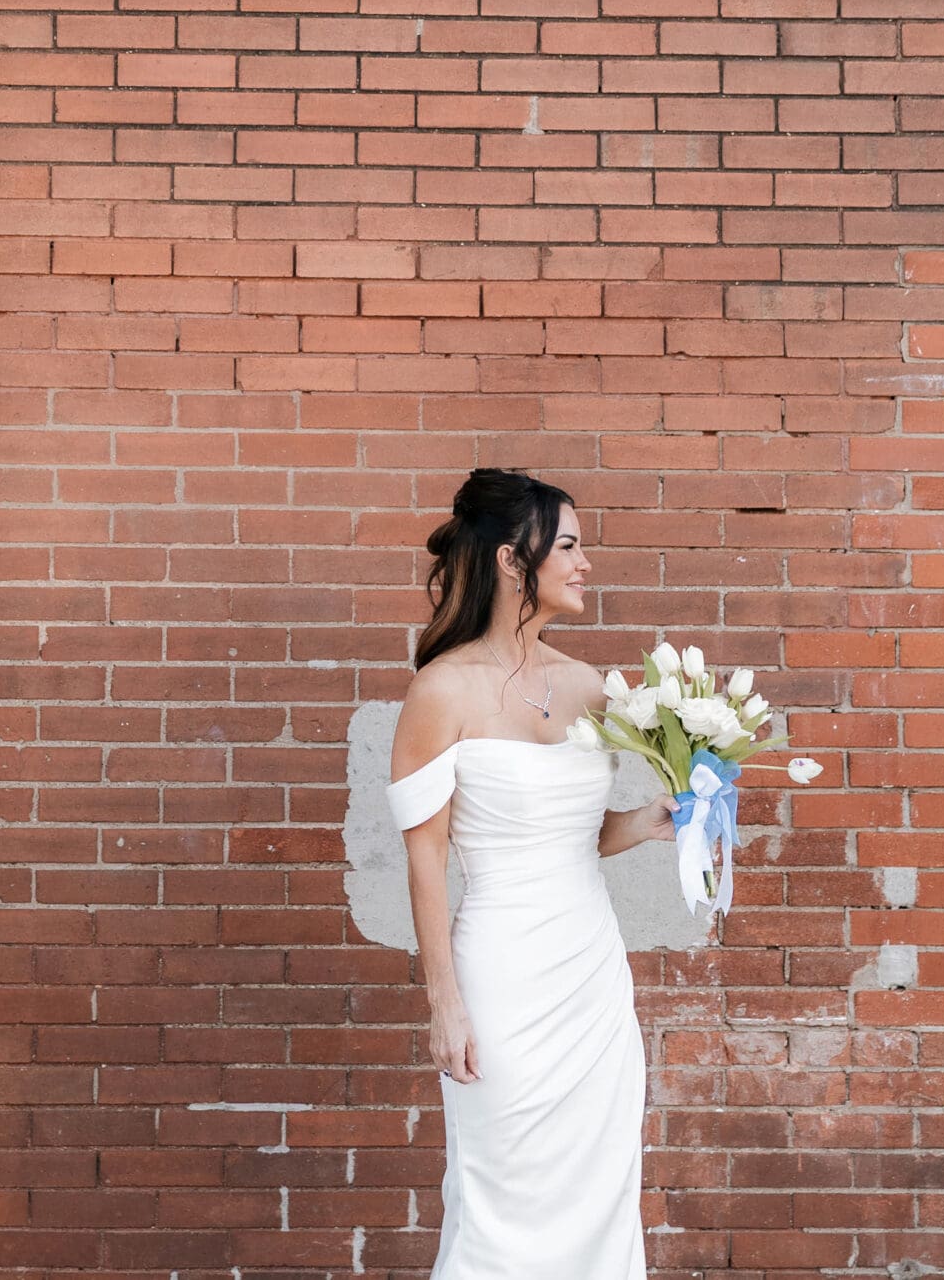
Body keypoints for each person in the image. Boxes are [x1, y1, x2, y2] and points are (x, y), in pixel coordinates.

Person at [384, 469, 672, 1280]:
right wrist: (445, 1003)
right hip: (502, 982)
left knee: (600, 1195)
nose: (586, 564)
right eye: (571, 546)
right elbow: (426, 856)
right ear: (515, 560)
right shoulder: (441, 690)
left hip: (591, 984)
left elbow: (577, 835)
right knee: (500, 1200)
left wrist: (651, 821)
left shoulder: (590, 687)